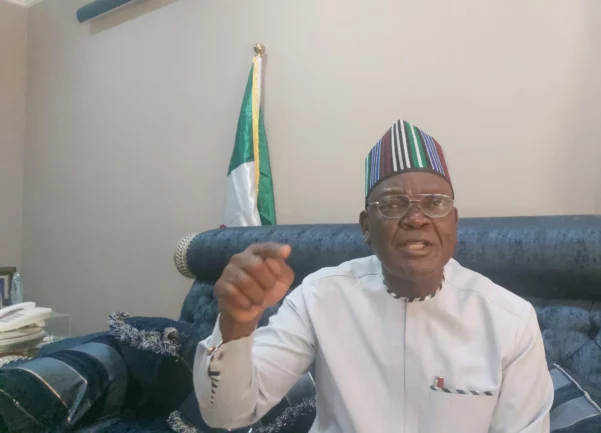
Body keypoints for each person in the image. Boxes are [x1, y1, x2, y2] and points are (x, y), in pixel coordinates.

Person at [193, 120, 554, 433]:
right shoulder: (320, 296)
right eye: (393, 204)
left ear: (454, 222)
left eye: (434, 203)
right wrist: (237, 324)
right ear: (366, 226)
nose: (416, 219)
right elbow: (227, 414)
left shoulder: (510, 320)